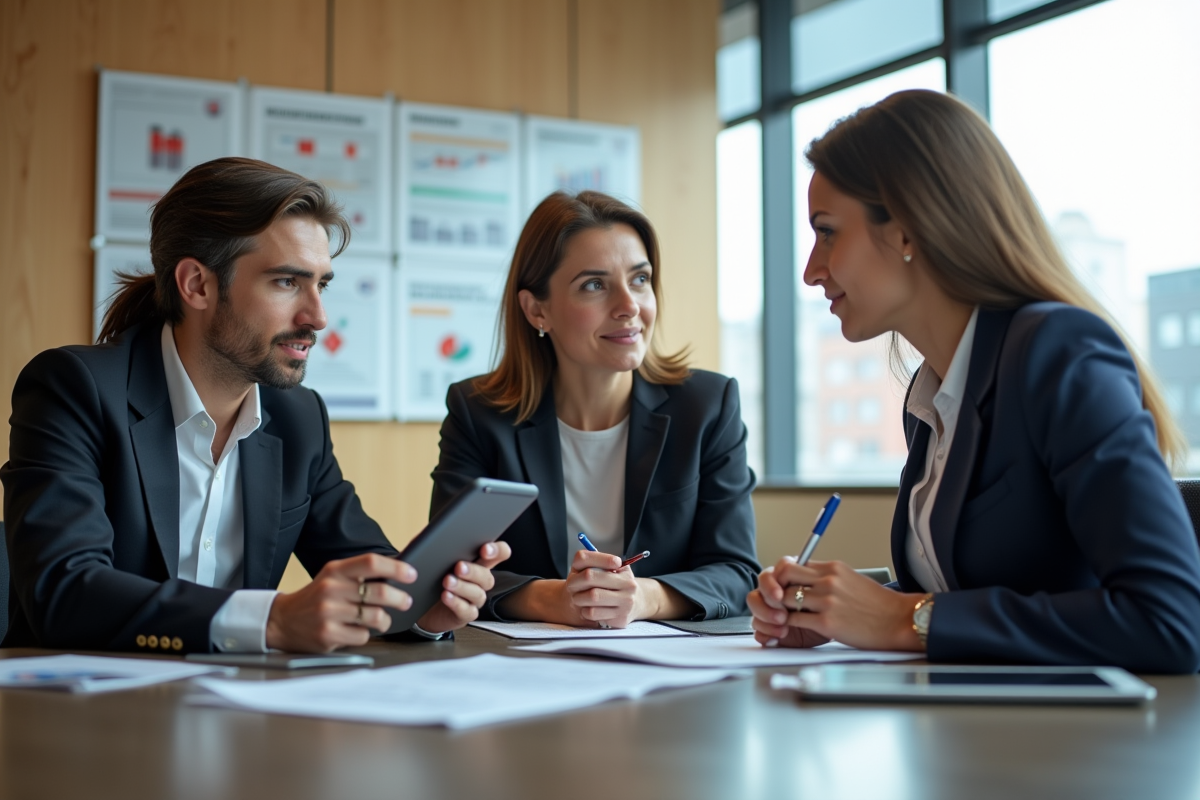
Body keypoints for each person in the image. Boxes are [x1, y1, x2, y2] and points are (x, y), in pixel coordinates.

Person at [747, 89, 1200, 674]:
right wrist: (833, 608)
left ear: (908, 230)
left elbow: (1168, 620)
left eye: (828, 231)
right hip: (969, 737)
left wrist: (901, 620)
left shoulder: (1056, 352)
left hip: (1082, 753)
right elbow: (969, 582)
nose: (812, 269)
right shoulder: (933, 397)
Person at [1, 157, 510, 654]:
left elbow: (367, 568)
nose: (318, 316)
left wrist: (420, 611)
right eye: (287, 282)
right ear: (197, 284)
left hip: (232, 712)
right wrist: (273, 618)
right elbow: (63, 592)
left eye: (321, 283)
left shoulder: (298, 418)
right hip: (76, 716)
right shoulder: (74, 388)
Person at [430, 191, 759, 628]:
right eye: (594, 285)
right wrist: (553, 600)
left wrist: (645, 598)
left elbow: (737, 573)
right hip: (521, 669)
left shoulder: (707, 407)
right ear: (536, 309)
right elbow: (447, 574)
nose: (629, 307)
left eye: (639, 280)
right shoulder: (479, 415)